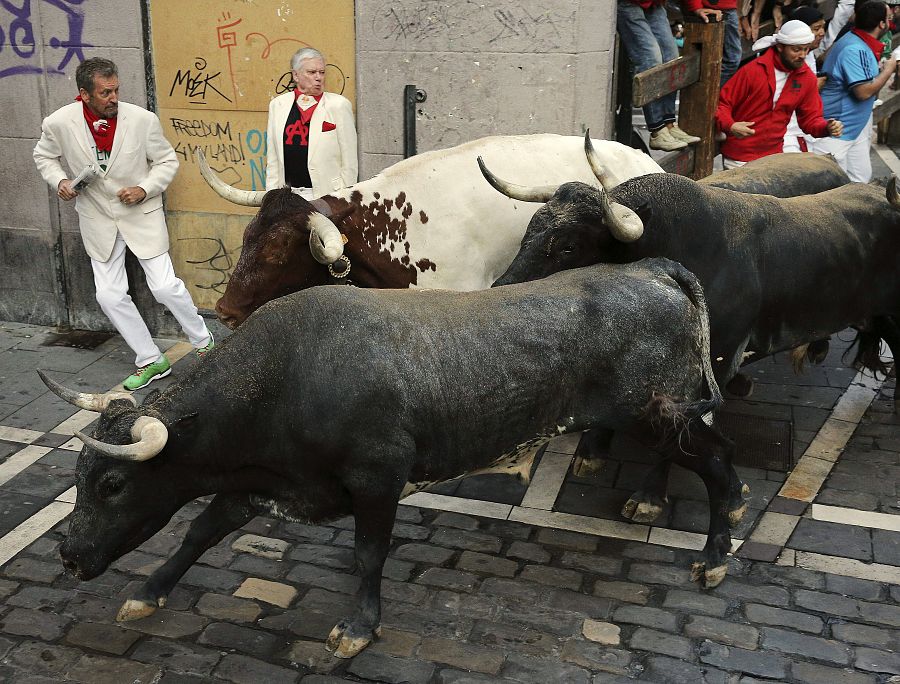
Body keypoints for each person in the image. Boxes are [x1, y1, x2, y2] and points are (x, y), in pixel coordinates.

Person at [33, 58, 213, 391]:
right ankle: (150, 359)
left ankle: (203, 341)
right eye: (105, 92)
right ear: (85, 95)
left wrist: (145, 188)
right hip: (97, 219)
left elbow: (166, 161)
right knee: (109, 295)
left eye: (116, 89)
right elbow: (43, 155)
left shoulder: (143, 120)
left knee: (163, 286)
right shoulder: (58, 123)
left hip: (140, 215)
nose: (114, 97)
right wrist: (59, 181)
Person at [715, 20, 844, 168]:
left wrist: (826, 127)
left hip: (774, 157)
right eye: (796, 50)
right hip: (739, 157)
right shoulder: (752, 71)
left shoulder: (806, 78)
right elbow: (723, 104)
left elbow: (811, 119)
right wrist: (731, 125)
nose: (802, 55)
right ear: (780, 47)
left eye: (806, 49)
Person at [811, 1, 896, 181]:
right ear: (882, 24)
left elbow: (824, 58)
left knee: (861, 181)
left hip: (853, 130)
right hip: (835, 131)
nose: (892, 20)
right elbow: (863, 92)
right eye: (888, 17)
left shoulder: (854, 38)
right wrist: (888, 70)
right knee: (830, 189)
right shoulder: (855, 48)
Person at [265, 47, 358, 198]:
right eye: (311, 72)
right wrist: (272, 196)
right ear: (295, 75)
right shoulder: (278, 105)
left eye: (321, 72)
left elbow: (350, 163)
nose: (318, 77)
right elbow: (273, 159)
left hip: (327, 196)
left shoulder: (339, 105)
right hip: (288, 196)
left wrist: (342, 198)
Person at [617, 0, 703, 151]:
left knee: (672, 57)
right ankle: (658, 130)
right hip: (629, 3)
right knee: (650, 58)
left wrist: (695, 7)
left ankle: (669, 125)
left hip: (655, 4)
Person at [783, 6, 828, 152]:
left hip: (802, 127)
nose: (822, 33)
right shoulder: (791, 59)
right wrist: (814, 86)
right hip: (788, 131)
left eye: (823, 27)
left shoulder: (808, 54)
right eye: (816, 28)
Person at [681, 0, 742, 86]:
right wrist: (696, 7)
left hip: (726, 8)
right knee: (726, 61)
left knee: (728, 61)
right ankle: (709, 95)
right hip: (709, 9)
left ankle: (712, 95)